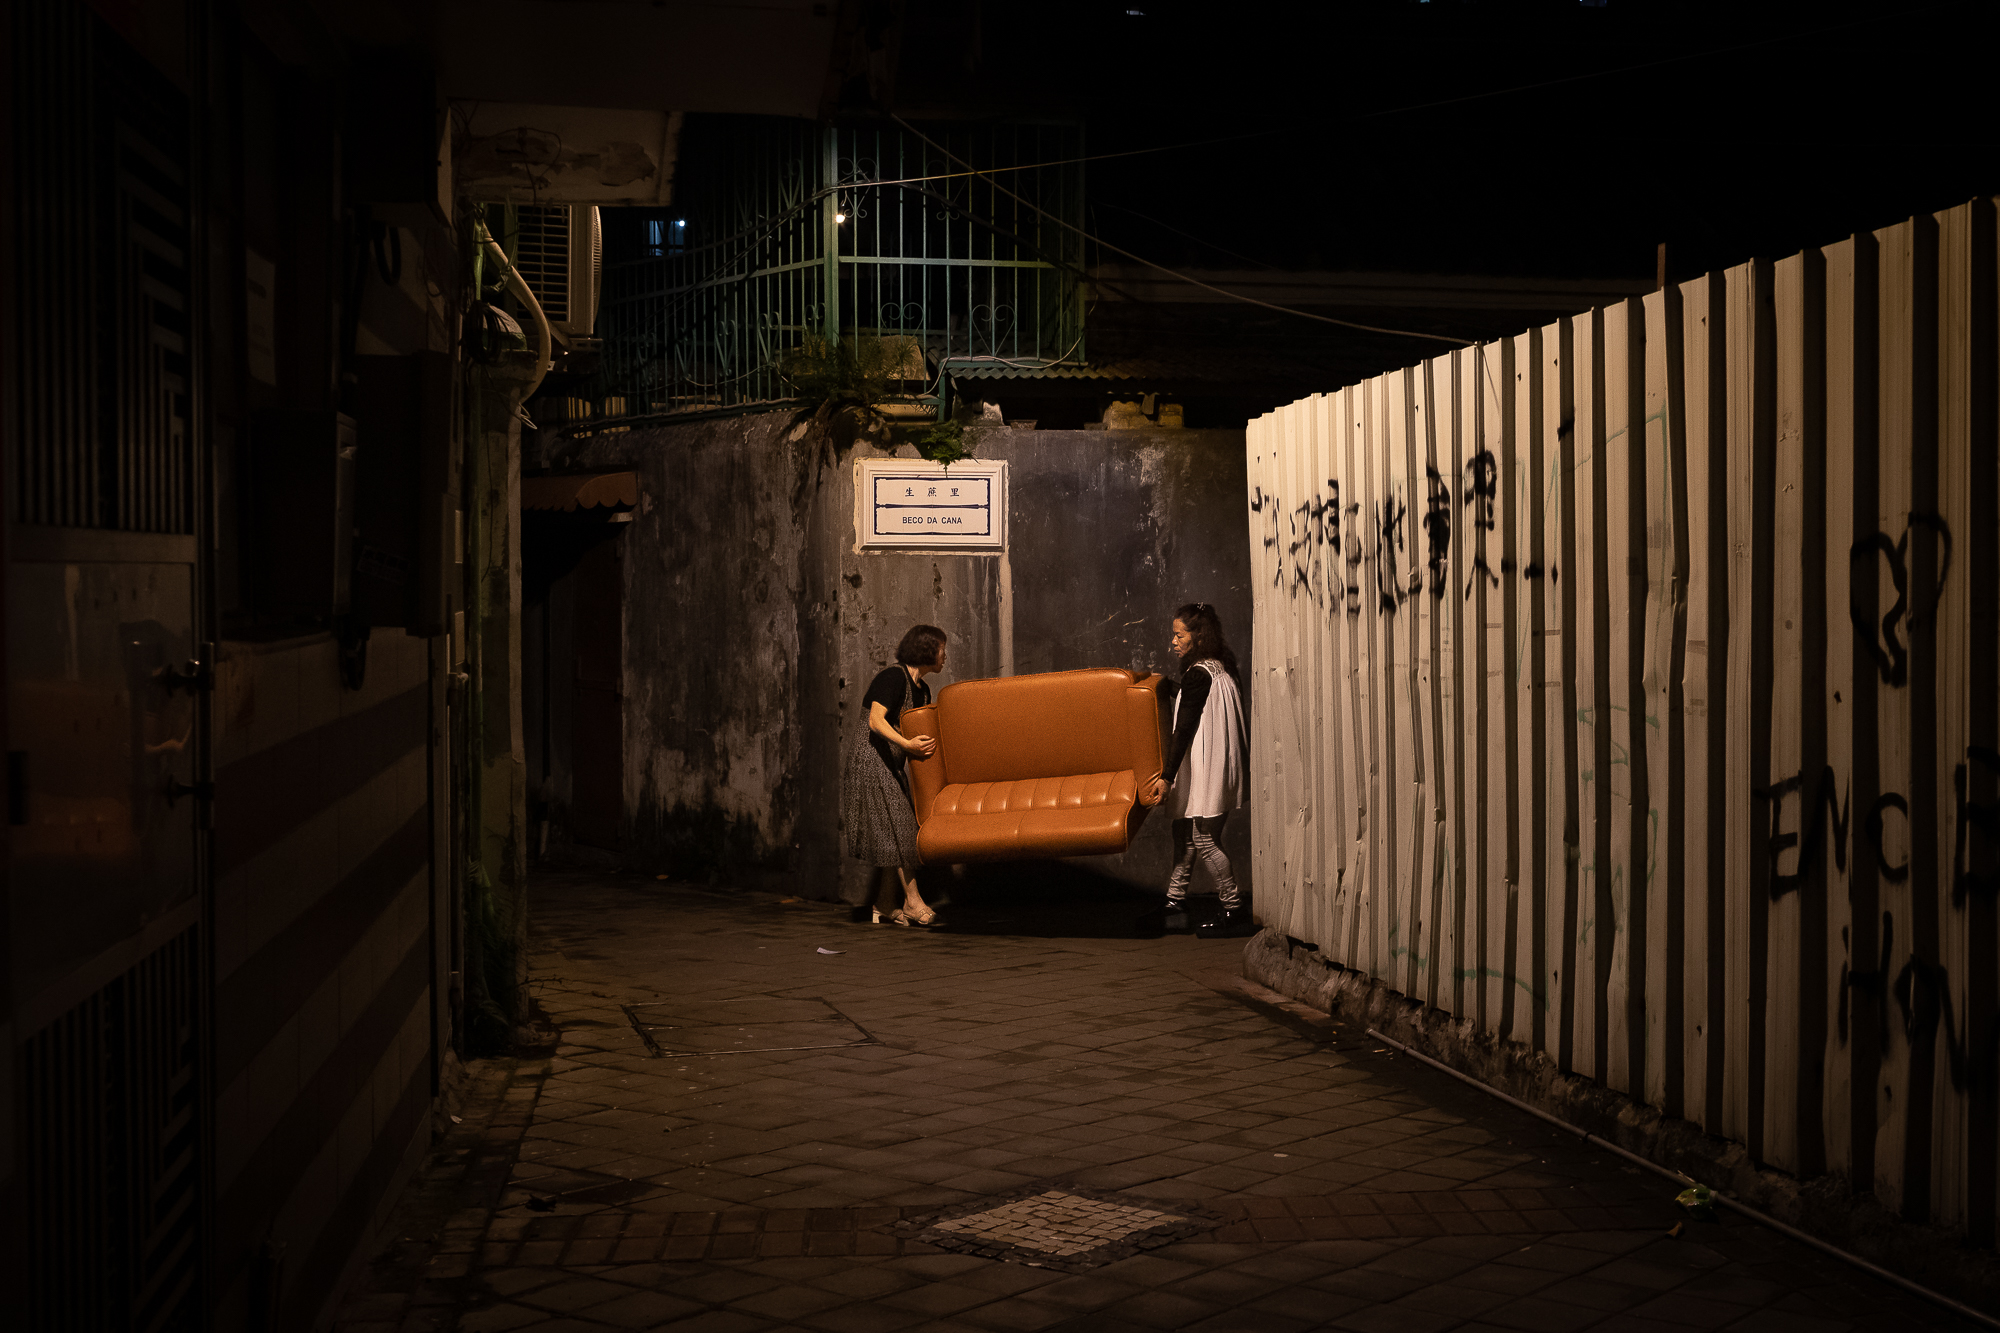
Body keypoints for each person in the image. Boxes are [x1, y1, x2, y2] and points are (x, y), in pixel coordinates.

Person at [1145, 603, 1251, 937]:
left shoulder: (1198, 675)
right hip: (1221, 763)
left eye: (1179, 635)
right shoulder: (1221, 668)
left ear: (1197, 636)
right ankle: (1175, 902)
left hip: (1209, 766)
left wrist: (1167, 776)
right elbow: (1201, 706)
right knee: (1185, 832)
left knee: (1204, 837)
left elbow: (1185, 728)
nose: (1173, 642)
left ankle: (1234, 910)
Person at [842, 624, 949, 926]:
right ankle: (913, 903)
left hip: (891, 764)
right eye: (942, 648)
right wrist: (907, 745)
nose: (945, 655)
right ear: (928, 649)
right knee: (901, 830)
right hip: (870, 760)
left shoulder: (923, 689)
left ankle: (884, 904)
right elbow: (876, 721)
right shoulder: (892, 677)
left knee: (895, 832)